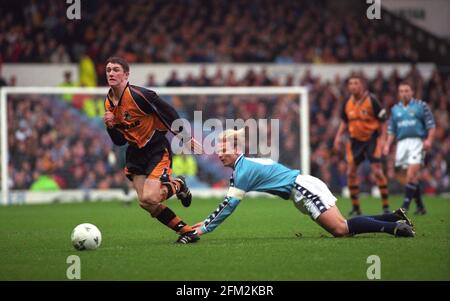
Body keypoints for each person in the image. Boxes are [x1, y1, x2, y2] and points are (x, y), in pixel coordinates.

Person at [177, 129, 415, 244]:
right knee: (342, 226)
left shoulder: (243, 171)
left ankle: (395, 228)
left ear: (236, 150)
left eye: (224, 150)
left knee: (341, 230)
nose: (220, 155)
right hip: (301, 188)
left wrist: (202, 230)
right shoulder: (242, 167)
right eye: (218, 151)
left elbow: (228, 207)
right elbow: (225, 206)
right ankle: (393, 218)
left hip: (302, 189)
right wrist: (202, 225)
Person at [103, 56, 201, 243]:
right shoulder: (108, 103)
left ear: (126, 74)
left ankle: (179, 184)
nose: (111, 73)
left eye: (116, 69)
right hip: (135, 153)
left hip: (156, 148)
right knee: (146, 202)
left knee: (151, 196)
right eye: (108, 70)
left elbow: (169, 112)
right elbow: (119, 142)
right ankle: (187, 231)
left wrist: (185, 138)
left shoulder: (139, 95)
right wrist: (110, 126)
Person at [333, 75, 390, 216]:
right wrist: (337, 137)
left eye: (356, 83)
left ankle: (386, 207)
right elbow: (344, 122)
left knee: (377, 171)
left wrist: (383, 139)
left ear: (362, 85)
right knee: (351, 172)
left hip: (372, 139)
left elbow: (383, 120)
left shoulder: (372, 100)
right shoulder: (347, 102)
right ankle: (356, 207)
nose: (353, 86)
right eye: (351, 83)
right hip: (354, 141)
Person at [383, 82, 436, 215]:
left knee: (411, 174)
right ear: (398, 93)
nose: (404, 93)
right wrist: (387, 144)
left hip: (417, 142)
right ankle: (420, 206)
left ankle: (404, 208)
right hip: (402, 144)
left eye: (407, 91)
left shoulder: (421, 106)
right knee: (409, 177)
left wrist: (429, 140)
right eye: (401, 91)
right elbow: (391, 130)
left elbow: (431, 125)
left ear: (412, 92)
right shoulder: (395, 109)